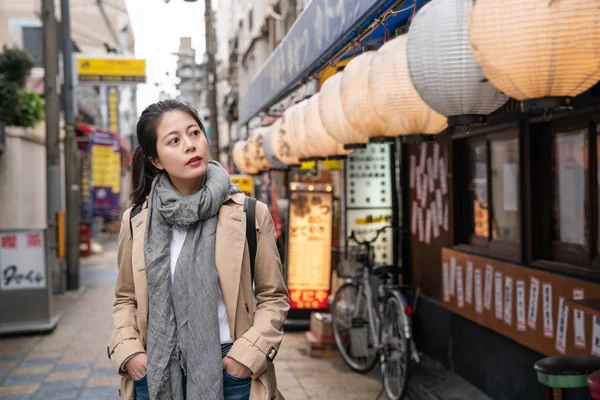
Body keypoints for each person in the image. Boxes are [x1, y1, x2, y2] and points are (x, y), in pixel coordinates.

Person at [109, 100, 290, 400]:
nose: (190, 146)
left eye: (195, 133)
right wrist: (130, 353)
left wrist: (245, 358)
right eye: (175, 141)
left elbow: (273, 297)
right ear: (155, 160)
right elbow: (125, 298)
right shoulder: (137, 221)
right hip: (156, 370)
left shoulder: (249, 214)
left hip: (231, 373)